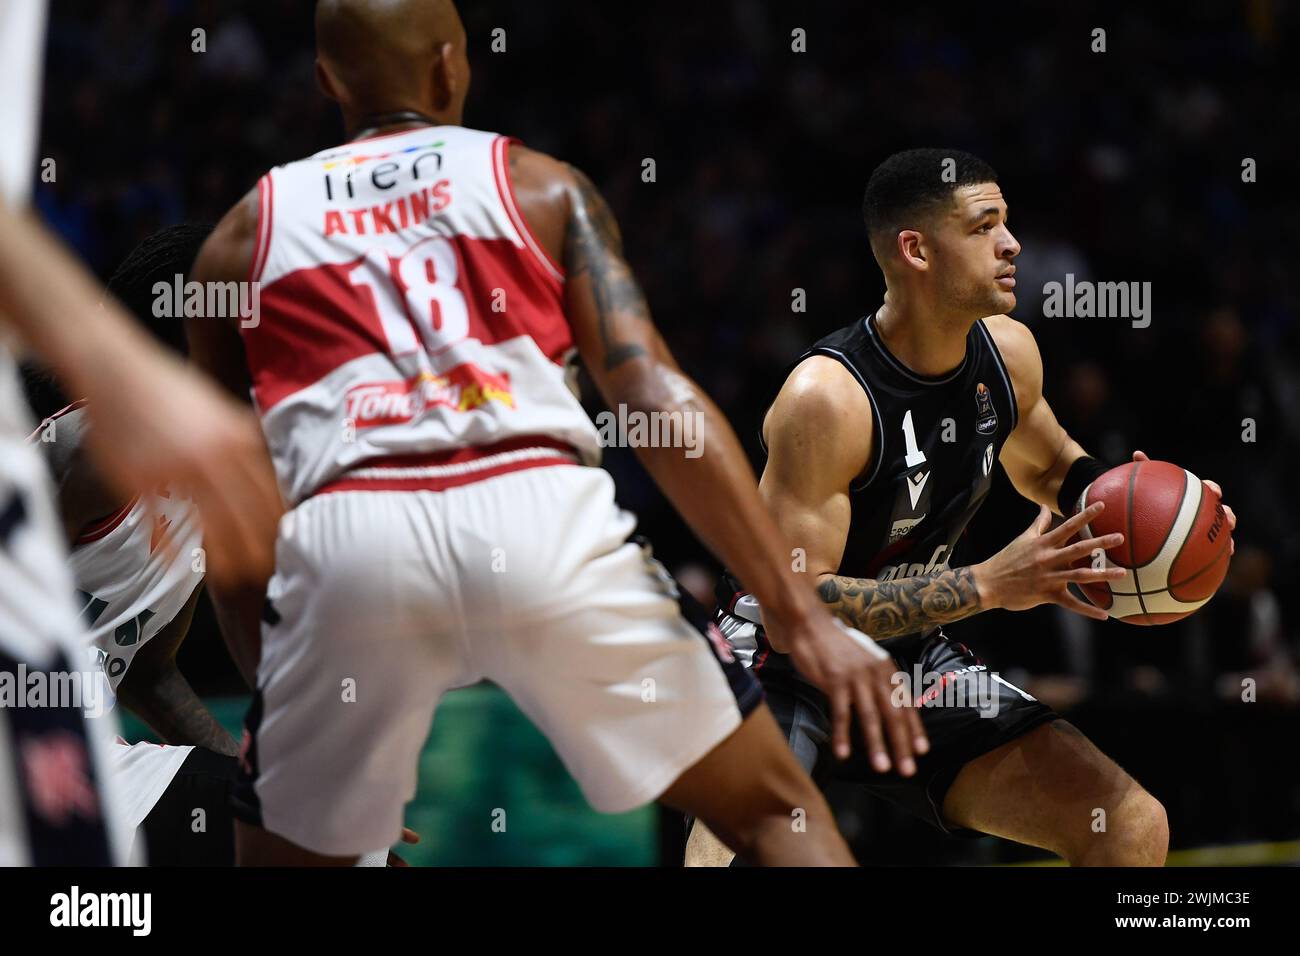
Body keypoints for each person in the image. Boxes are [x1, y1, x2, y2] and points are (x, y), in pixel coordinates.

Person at [184, 0, 926, 866]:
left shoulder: (238, 242)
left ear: (325, 81)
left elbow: (226, 504)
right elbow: (652, 395)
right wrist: (799, 616)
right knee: (773, 817)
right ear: (451, 67)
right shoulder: (542, 187)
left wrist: (294, 707)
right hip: (538, 516)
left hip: (350, 545)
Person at [688, 148, 1236, 867]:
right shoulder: (826, 400)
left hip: (912, 661)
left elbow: (1050, 465)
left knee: (1128, 824)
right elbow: (796, 611)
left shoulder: (1008, 354)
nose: (1011, 244)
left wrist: (1154, 509)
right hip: (781, 664)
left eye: (1007, 223)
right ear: (915, 249)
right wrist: (988, 586)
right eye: (984, 227)